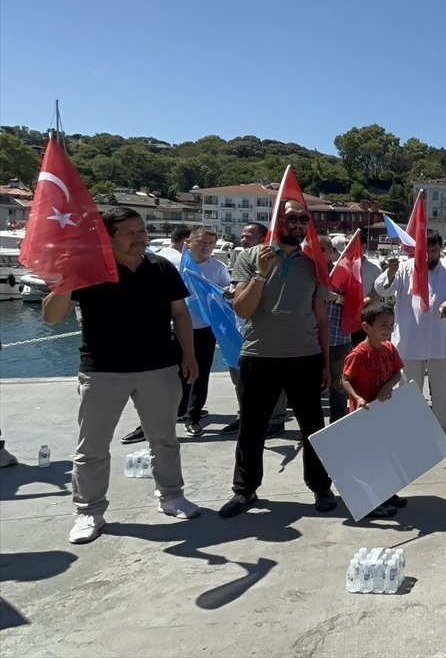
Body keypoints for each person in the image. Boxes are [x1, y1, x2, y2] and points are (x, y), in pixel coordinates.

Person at [42, 207, 201, 544]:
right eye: (130, 232)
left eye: (142, 230)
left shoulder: (161, 267)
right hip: (103, 371)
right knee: (93, 447)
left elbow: (180, 313)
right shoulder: (88, 270)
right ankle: (89, 511)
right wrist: (68, 281)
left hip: (158, 368)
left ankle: (171, 496)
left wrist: (188, 355)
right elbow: (52, 317)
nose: (140, 236)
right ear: (108, 237)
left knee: (165, 439)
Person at [220, 199, 338, 518]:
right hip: (260, 356)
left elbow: (321, 318)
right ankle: (245, 491)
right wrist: (261, 274)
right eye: (291, 218)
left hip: (305, 357)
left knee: (313, 428)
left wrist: (325, 362)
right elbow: (243, 309)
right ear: (277, 220)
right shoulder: (250, 257)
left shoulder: (313, 264)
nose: (298, 224)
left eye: (303, 219)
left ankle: (320, 486)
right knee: (251, 427)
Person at [123, 224, 231, 442]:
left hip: (202, 329)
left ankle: (192, 416)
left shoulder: (218, 268)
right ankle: (149, 423)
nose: (207, 247)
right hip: (167, 330)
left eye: (211, 243)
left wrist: (228, 294)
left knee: (198, 376)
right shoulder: (169, 264)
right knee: (161, 378)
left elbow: (225, 295)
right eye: (202, 242)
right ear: (188, 243)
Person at [373, 229, 446, 437]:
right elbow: (382, 289)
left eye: (434, 250)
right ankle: (410, 426)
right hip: (409, 339)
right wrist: (390, 272)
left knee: (444, 387)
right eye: (426, 250)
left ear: (440, 249)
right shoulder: (404, 268)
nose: (430, 254)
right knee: (409, 386)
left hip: (440, 339)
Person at [220, 222, 288, 438]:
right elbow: (242, 297)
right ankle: (246, 415)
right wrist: (232, 296)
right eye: (242, 235)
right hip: (239, 329)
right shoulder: (243, 258)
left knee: (273, 380)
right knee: (241, 378)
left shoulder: (277, 262)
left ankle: (276, 419)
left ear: (263, 237)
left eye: (249, 235)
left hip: (266, 331)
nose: (243, 238)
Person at [340, 301, 407, 518]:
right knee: (369, 460)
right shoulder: (358, 354)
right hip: (364, 414)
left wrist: (388, 386)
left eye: (391, 325)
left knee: (385, 456)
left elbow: (397, 372)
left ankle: (386, 493)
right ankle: (372, 501)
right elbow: (344, 379)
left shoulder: (389, 348)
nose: (388, 330)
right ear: (366, 327)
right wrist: (357, 397)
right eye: (383, 325)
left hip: (383, 412)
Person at [317, 235, 353, 423]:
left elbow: (354, 303)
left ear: (331, 252)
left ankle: (337, 423)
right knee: (311, 385)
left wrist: (336, 298)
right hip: (310, 340)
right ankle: (312, 426)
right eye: (315, 248)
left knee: (339, 385)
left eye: (322, 249)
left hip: (338, 338)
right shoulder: (306, 273)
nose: (318, 252)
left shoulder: (343, 273)